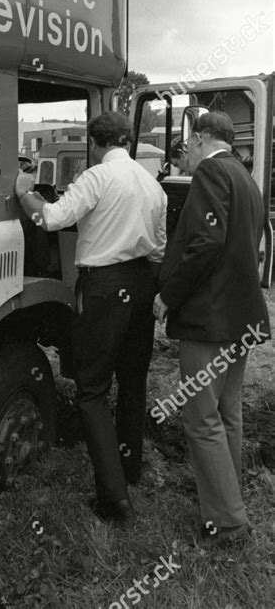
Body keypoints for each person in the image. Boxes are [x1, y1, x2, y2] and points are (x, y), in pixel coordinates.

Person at [15, 112, 167, 524]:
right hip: (142, 282)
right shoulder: (153, 185)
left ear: (97, 145)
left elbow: (51, 218)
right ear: (129, 143)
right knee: (133, 381)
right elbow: (160, 247)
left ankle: (114, 500)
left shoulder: (97, 177)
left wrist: (25, 192)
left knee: (92, 390)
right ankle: (130, 468)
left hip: (104, 287)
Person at [153, 111, 270, 543]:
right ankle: (229, 494)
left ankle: (227, 522)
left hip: (209, 321)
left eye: (188, 147)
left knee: (201, 419)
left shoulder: (209, 172)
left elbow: (206, 244)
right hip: (241, 318)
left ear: (201, 139)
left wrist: (168, 296)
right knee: (227, 414)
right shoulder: (246, 178)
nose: (186, 156)